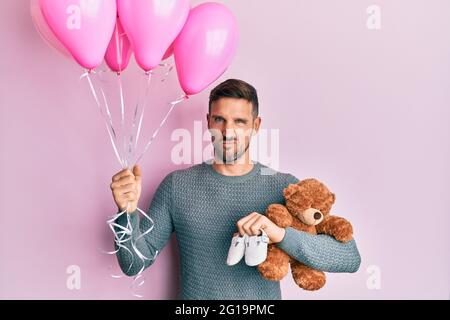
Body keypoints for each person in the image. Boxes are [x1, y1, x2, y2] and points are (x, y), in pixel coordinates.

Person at [110, 79, 361, 299]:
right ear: (208, 122)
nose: (228, 132)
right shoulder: (177, 186)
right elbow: (133, 264)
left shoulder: (286, 188)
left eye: (239, 122)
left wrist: (279, 234)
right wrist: (127, 213)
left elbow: (350, 257)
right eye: (220, 119)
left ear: (256, 125)